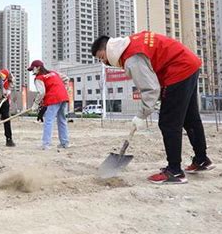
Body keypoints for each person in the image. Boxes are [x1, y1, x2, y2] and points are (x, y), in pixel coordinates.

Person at [91, 31, 214, 184]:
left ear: (108, 49)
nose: (104, 62)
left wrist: (141, 115)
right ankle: (202, 160)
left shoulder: (131, 58)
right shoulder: (130, 43)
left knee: (169, 123)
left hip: (178, 70)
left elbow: (150, 89)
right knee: (190, 118)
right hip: (189, 64)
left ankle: (174, 171)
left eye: (102, 57)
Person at [28, 60, 70, 150]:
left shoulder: (39, 78)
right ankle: (65, 143)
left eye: (33, 69)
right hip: (63, 97)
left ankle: (45, 144)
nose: (32, 71)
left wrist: (35, 104)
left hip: (53, 98)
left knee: (48, 121)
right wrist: (63, 88)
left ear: (38, 67)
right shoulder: (53, 73)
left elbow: (41, 92)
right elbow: (66, 78)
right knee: (62, 120)